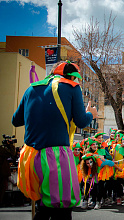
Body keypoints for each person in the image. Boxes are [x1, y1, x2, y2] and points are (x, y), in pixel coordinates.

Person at [13, 61, 97, 219]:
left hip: (30, 157)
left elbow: (16, 120)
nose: (77, 81)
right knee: (62, 211)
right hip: (55, 157)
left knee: (43, 208)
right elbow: (81, 121)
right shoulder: (72, 87)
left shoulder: (31, 88)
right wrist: (91, 114)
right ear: (71, 76)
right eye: (76, 78)